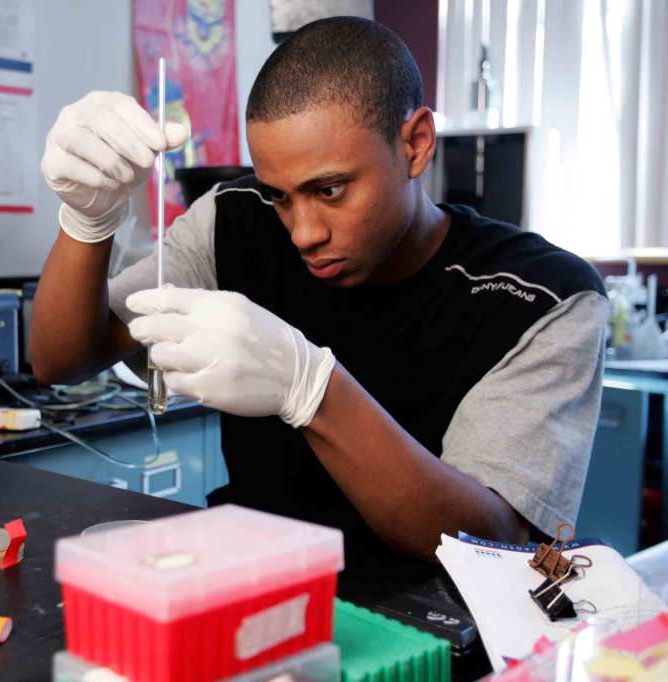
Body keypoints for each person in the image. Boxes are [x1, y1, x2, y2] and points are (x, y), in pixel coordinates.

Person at [31, 17, 608, 574]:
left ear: (416, 144)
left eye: (330, 190)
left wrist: (312, 388)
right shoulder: (235, 222)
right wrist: (88, 221)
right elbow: (62, 358)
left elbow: (489, 542)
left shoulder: (543, 299)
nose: (303, 232)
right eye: (280, 195)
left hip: (429, 634)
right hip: (251, 596)